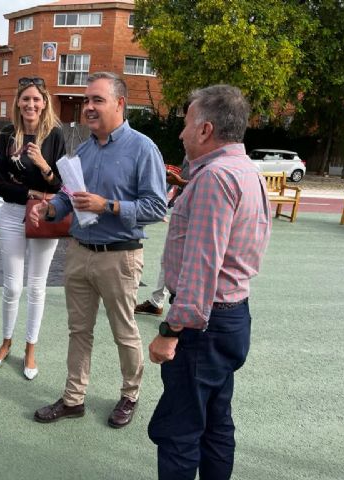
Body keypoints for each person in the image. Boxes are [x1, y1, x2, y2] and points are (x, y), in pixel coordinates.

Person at [147, 85, 271, 479]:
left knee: (180, 432)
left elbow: (201, 269)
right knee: (216, 422)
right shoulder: (247, 171)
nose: (181, 132)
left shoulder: (215, 178)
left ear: (205, 129)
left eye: (186, 123)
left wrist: (170, 330)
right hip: (232, 317)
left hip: (203, 325)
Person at [31, 72, 166, 428]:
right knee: (79, 330)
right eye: (86, 100)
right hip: (79, 252)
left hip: (119, 256)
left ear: (120, 103)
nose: (88, 107)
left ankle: (130, 395)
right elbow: (68, 194)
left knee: (124, 331)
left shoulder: (143, 148)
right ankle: (73, 399)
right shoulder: (84, 149)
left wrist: (107, 206)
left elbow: (157, 207)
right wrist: (51, 208)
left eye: (97, 100)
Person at [0, 76, 66, 380]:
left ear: (44, 103)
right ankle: (6, 341)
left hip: (44, 214)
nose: (31, 104)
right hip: (11, 213)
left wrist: (44, 166)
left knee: (36, 286)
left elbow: (60, 184)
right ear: (18, 103)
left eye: (36, 99)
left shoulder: (55, 136)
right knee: (12, 286)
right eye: (26, 99)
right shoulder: (8, 135)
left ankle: (30, 348)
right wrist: (31, 192)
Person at [134, 165, 189, 317]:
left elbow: (207, 186)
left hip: (197, 214)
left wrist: (181, 183)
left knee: (187, 262)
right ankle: (157, 302)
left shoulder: (213, 160)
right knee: (169, 258)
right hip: (184, 210)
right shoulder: (192, 155)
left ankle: (185, 309)